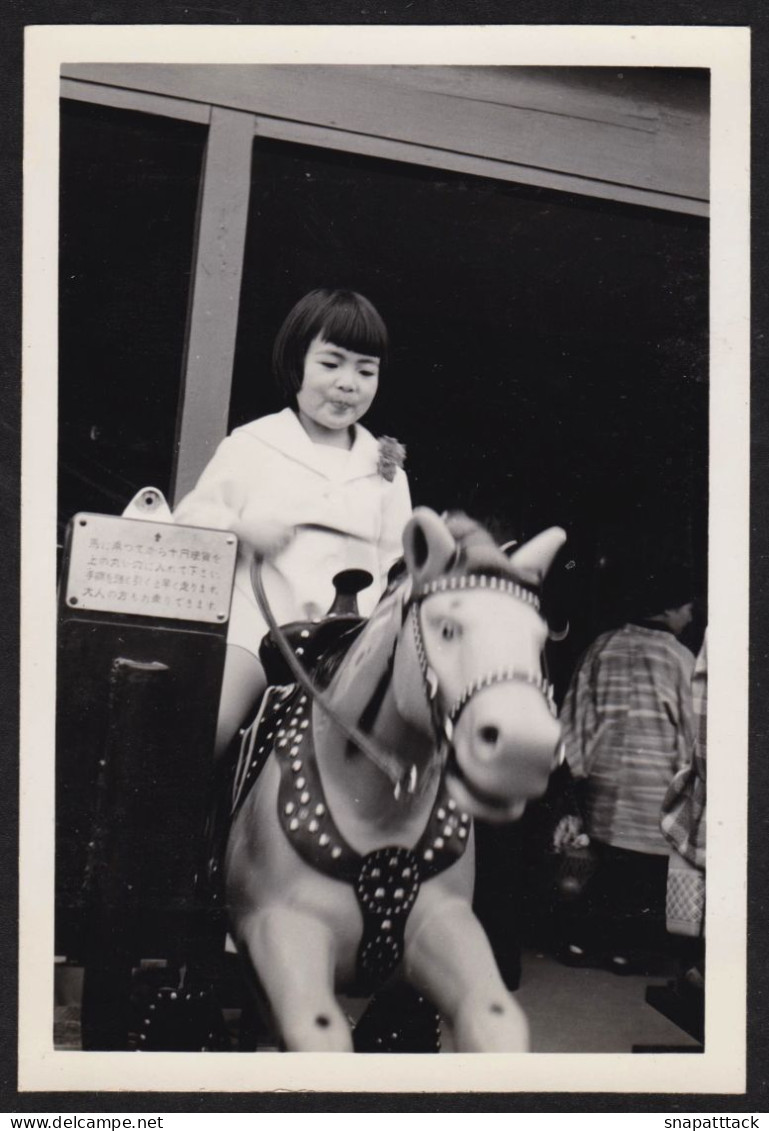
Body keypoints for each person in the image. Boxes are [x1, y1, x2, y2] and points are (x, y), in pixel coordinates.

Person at [174, 288, 412, 756]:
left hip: (350, 646)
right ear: (295, 363)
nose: (349, 383)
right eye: (331, 364)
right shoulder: (254, 444)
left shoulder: (386, 471)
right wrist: (242, 529)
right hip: (258, 634)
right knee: (208, 730)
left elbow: (397, 568)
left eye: (366, 371)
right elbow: (190, 518)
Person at [557, 583, 696, 973]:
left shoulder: (603, 647)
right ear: (669, 609)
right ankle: (624, 951)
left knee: (599, 866)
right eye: (687, 609)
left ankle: (579, 942)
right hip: (657, 787)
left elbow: (574, 715)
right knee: (641, 878)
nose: (689, 618)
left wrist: (579, 771)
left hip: (603, 783)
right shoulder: (680, 658)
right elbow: (693, 730)